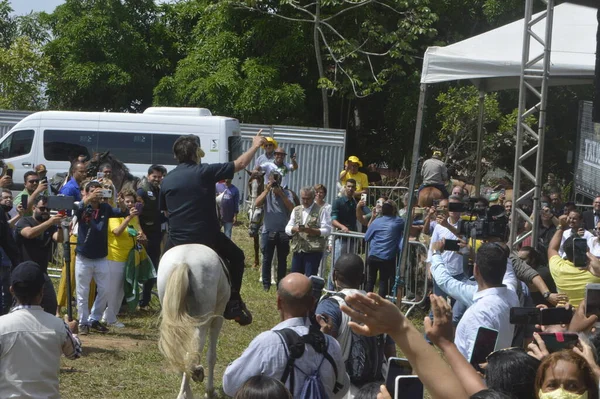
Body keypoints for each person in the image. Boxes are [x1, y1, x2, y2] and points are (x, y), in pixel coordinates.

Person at [160, 132, 266, 326]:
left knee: (162, 266)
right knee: (237, 257)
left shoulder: (167, 180)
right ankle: (233, 302)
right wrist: (255, 146)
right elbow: (240, 164)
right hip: (206, 237)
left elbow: (166, 211)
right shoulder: (205, 171)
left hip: (176, 239)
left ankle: (163, 302)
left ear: (176, 156)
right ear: (196, 154)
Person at [222, 273, 350, 398]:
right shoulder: (331, 344)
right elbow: (342, 389)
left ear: (278, 302)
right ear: (312, 304)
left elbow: (231, 385)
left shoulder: (267, 343)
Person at [316, 254, 395, 394]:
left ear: (334, 275)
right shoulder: (379, 307)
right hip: (376, 390)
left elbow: (319, 349)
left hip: (341, 389)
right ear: (363, 278)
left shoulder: (330, 305)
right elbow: (390, 352)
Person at [0, 261, 81, 398]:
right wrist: (73, 333)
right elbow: (75, 353)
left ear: (12, 290)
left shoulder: (2, 325)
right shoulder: (58, 326)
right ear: (42, 290)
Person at [430, 240, 519, 359]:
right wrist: (498, 247)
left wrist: (435, 253)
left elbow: (477, 367)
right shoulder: (511, 294)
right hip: (498, 368)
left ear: (475, 269)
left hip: (475, 376)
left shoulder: (480, 313)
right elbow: (508, 272)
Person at [74, 181, 132, 334]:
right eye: (92, 191)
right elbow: (74, 211)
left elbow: (121, 212)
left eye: (98, 191)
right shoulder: (82, 207)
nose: (96, 194)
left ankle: (94, 319)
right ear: (86, 193)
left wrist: (122, 204)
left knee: (105, 290)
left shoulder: (105, 207)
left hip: (101, 257)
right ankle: (83, 322)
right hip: (84, 256)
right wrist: (87, 199)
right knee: (83, 292)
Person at [15, 196, 65, 315]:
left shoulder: (50, 225)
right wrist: (50, 222)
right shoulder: (25, 221)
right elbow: (29, 234)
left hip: (41, 272)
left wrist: (60, 226)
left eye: (48, 209)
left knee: (50, 304)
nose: (45, 212)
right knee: (21, 306)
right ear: (33, 208)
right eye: (42, 209)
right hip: (22, 271)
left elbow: (58, 238)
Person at [103, 189, 145, 328]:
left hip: (129, 256)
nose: (130, 204)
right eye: (127, 201)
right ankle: (109, 318)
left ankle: (110, 316)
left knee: (121, 288)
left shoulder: (134, 216)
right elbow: (117, 232)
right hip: (115, 257)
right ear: (120, 200)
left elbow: (139, 231)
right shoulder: (115, 214)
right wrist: (128, 218)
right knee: (113, 289)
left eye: (132, 202)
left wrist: (141, 236)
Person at [548, 215, 600, 307]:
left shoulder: (558, 267)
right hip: (591, 317)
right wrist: (589, 254)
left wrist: (560, 227)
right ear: (586, 249)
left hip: (565, 316)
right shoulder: (595, 271)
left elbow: (552, 249)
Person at [256, 170, 295, 290]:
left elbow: (292, 208)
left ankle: (280, 284)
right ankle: (266, 284)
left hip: (283, 231)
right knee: (267, 259)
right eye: (273, 180)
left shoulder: (287, 193)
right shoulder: (266, 193)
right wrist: (267, 190)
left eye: (277, 181)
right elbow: (256, 203)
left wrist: (281, 194)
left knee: (282, 260)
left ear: (281, 181)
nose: (275, 183)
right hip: (268, 231)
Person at [136, 164, 167, 309]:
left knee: (153, 269)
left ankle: (145, 301)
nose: (157, 179)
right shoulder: (142, 192)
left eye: (159, 177)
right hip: (144, 236)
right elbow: (135, 215)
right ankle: (129, 300)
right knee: (138, 267)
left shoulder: (160, 190)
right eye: (154, 176)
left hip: (156, 235)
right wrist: (140, 232)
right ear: (149, 176)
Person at [285, 186, 331, 277]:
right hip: (298, 250)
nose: (305, 201)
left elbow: (327, 230)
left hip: (313, 251)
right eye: (303, 199)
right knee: (296, 277)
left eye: (308, 199)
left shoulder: (321, 210)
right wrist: (294, 229)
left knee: (310, 278)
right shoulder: (296, 210)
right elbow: (287, 228)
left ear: (314, 197)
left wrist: (312, 231)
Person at [364, 200, 404, 297]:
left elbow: (366, 237)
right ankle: (380, 305)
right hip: (386, 257)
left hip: (373, 255)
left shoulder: (376, 221)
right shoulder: (399, 221)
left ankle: (364, 302)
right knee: (383, 282)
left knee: (370, 281)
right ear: (394, 210)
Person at [329, 179, 358, 289]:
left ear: (355, 189)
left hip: (353, 239)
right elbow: (333, 220)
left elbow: (365, 215)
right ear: (345, 187)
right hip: (341, 238)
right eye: (348, 186)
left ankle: (345, 288)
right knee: (336, 265)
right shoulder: (338, 202)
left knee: (349, 266)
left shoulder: (355, 203)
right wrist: (342, 227)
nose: (350, 189)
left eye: (352, 187)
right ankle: (330, 288)